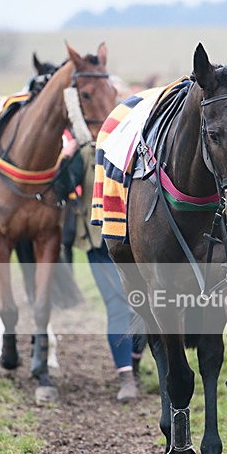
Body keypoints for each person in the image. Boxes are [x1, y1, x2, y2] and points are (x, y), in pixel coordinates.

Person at [62, 139, 146, 402]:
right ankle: (126, 378)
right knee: (118, 305)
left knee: (145, 308)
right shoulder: (87, 151)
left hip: (138, 243)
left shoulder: (143, 144)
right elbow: (63, 187)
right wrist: (65, 158)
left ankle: (133, 362)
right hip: (100, 243)